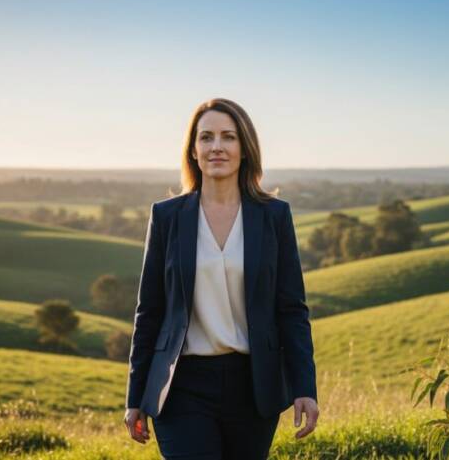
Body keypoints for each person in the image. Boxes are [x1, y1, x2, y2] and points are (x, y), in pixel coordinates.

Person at [123, 98, 319, 459]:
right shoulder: (167, 217)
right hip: (181, 386)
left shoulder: (274, 216)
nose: (217, 146)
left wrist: (304, 387)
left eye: (228, 137)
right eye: (206, 137)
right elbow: (149, 311)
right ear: (193, 150)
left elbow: (291, 310)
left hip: (253, 385)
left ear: (245, 149)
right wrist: (135, 397)